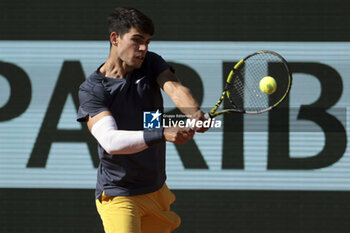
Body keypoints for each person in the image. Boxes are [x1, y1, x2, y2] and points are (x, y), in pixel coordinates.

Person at [76, 7, 208, 233]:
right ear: (115, 38)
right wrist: (162, 132)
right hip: (119, 195)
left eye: (147, 42)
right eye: (137, 41)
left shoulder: (150, 63)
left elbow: (174, 88)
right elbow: (110, 141)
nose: (143, 48)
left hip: (156, 189)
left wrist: (194, 113)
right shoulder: (93, 90)